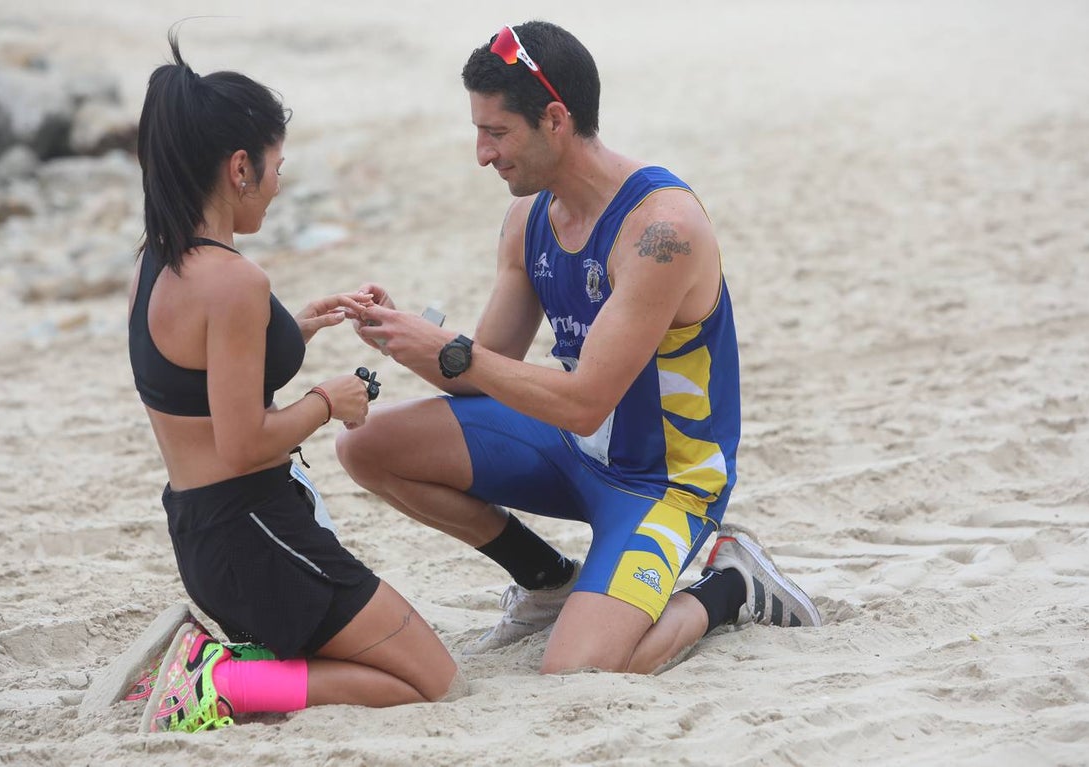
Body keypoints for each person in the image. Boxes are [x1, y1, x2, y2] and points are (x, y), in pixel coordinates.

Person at [336, 21, 821, 676]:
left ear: (555, 120)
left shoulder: (662, 231)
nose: (482, 153)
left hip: (665, 483)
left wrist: (453, 349)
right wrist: (400, 334)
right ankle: (546, 579)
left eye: (497, 132)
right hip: (572, 451)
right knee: (365, 446)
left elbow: (587, 401)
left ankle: (730, 584)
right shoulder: (527, 220)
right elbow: (476, 374)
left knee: (577, 671)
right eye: (478, 131)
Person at [122, 31, 460, 734]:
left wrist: (294, 331)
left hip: (209, 530)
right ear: (240, 167)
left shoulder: (157, 264)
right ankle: (221, 679)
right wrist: (326, 402)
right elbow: (244, 441)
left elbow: (197, 384)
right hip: (255, 529)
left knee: (415, 666)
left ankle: (225, 665)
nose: (279, 183)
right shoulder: (234, 281)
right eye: (277, 166)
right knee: (429, 679)